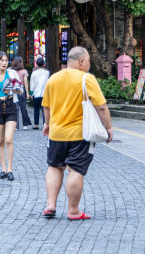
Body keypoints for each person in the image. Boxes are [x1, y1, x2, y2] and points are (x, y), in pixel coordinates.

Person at [42, 47, 113, 220]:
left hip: (56, 133)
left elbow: (46, 105)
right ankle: (73, 211)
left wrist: (47, 124)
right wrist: (108, 127)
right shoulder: (86, 79)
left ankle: (51, 205)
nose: (89, 65)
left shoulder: (53, 78)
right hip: (80, 134)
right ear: (81, 61)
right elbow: (101, 106)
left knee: (54, 167)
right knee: (75, 170)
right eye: (88, 61)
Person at [0, 51, 22, 180]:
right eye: (1, 60)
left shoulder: (12, 74)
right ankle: (3, 169)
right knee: (0, 141)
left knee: (8, 139)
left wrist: (11, 90)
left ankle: (10, 169)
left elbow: (20, 90)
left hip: (11, 106)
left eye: (6, 60)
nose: (4, 63)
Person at [11, 57, 32, 130]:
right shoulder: (24, 71)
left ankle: (16, 126)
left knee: (15, 109)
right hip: (21, 90)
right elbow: (25, 82)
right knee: (23, 108)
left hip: (14, 90)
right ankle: (25, 125)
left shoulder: (11, 71)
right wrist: (27, 93)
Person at [30, 58, 50, 129]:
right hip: (45, 93)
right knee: (45, 108)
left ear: (37, 64)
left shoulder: (34, 73)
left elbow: (32, 83)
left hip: (36, 92)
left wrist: (31, 93)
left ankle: (36, 124)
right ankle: (45, 123)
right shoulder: (47, 73)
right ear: (43, 64)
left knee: (36, 109)